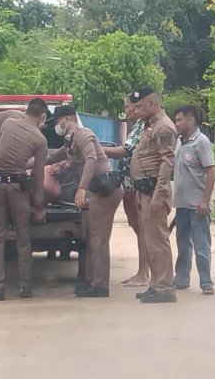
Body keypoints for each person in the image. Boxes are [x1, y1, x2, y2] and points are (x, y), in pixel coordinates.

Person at [47, 105, 124, 297]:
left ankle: (100, 286)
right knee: (91, 237)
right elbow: (53, 157)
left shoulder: (83, 134)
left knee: (98, 238)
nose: (57, 125)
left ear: (66, 119)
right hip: (97, 191)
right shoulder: (69, 140)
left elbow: (91, 159)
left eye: (57, 121)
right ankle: (91, 280)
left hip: (105, 190)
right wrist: (28, 162)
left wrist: (81, 188)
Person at [0, 98, 49, 301]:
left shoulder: (8, 123)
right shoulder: (40, 139)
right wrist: (39, 206)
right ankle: (25, 285)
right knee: (23, 237)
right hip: (18, 190)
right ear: (43, 117)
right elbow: (39, 177)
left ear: (26, 111)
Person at [129, 87, 178, 304]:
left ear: (152, 104)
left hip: (154, 193)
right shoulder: (150, 126)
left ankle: (165, 287)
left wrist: (158, 195)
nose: (136, 110)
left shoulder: (164, 127)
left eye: (139, 106)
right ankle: (155, 285)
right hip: (145, 192)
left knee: (158, 241)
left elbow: (167, 162)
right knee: (150, 242)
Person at [103, 95, 148, 287]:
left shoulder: (141, 125)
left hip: (135, 184)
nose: (127, 110)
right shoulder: (137, 126)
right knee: (138, 228)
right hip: (129, 184)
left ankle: (144, 273)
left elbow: (126, 151)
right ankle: (143, 272)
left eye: (128, 106)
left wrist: (98, 148)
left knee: (142, 229)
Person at [172, 105, 215, 296]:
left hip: (198, 206)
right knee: (183, 245)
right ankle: (181, 279)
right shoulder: (179, 142)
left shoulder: (202, 142)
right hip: (182, 205)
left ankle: (206, 282)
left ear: (191, 121)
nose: (177, 123)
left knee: (201, 245)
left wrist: (205, 201)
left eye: (180, 120)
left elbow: (211, 171)